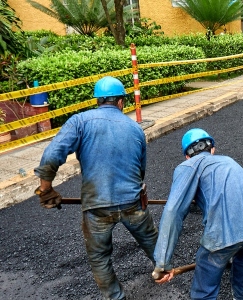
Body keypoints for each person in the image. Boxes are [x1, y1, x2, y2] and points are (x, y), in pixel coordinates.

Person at [33, 76, 158, 300]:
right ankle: (164, 269)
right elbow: (140, 172)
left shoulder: (79, 122)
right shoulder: (135, 128)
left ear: (98, 100)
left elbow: (52, 155)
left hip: (97, 206)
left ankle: (115, 296)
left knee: (100, 257)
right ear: (121, 102)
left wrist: (46, 189)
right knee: (153, 242)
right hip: (133, 203)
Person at [152, 128, 243, 300]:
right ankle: (242, 296)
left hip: (224, 232)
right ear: (212, 149)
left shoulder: (187, 166)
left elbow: (173, 211)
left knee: (205, 277)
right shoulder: (228, 161)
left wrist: (162, 263)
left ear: (187, 155)